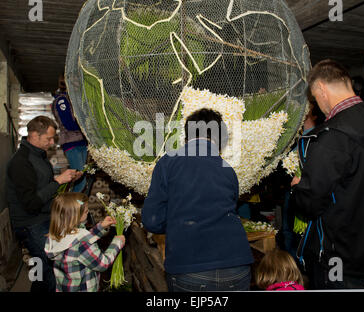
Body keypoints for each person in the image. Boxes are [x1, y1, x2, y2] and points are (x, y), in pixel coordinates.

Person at [142, 108, 254, 292]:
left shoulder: (168, 163)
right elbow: (229, 209)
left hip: (190, 267)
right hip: (237, 265)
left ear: (187, 135)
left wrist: (178, 223)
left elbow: (151, 220)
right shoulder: (228, 169)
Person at [291, 59, 364, 289]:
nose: (317, 104)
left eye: (315, 98)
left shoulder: (331, 137)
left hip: (344, 261)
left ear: (320, 89)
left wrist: (298, 187)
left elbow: (310, 203)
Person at [6, 116, 82, 292]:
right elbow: (31, 203)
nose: (51, 142)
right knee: (49, 270)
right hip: (30, 224)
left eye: (52, 138)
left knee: (40, 269)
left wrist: (64, 179)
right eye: (48, 138)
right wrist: (57, 182)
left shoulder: (38, 155)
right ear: (33, 134)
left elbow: (43, 184)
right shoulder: (20, 162)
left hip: (43, 218)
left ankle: (37, 288)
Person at [45, 192, 125, 292]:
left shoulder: (57, 233)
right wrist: (117, 243)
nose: (88, 212)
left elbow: (79, 238)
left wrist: (100, 228)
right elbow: (103, 263)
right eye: (85, 211)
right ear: (74, 216)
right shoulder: (82, 244)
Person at [282, 100, 324, 259]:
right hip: (290, 191)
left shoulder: (316, 137)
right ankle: (290, 269)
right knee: (288, 231)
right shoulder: (297, 137)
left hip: (304, 191)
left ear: (312, 113)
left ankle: (300, 267)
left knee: (300, 233)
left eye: (306, 108)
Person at [52, 74, 88, 192]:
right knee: (79, 180)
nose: (78, 84)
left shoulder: (74, 99)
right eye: (75, 81)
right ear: (67, 83)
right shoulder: (61, 100)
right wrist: (85, 126)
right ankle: (72, 209)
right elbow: (68, 123)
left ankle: (81, 207)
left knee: (85, 178)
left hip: (82, 142)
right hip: (72, 144)